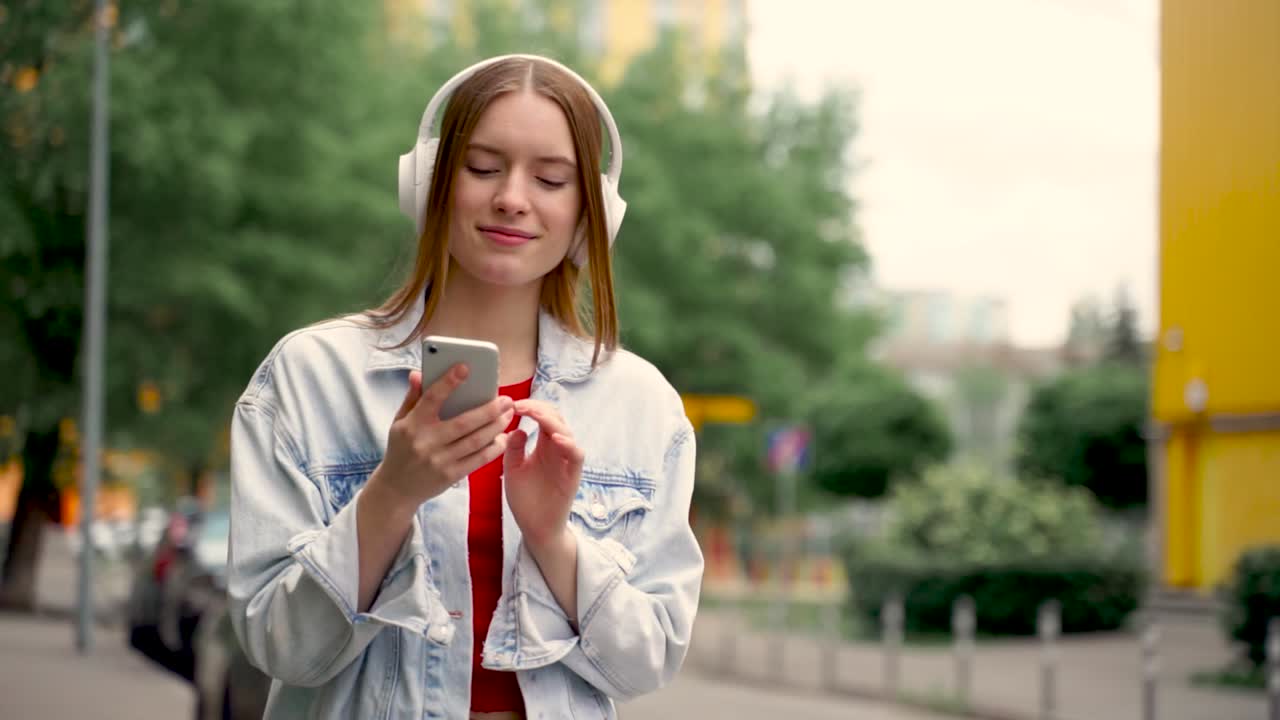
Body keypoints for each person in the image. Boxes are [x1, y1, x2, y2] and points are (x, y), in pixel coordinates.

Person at [227, 53, 704, 720]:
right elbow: (278, 645)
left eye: (551, 178)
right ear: (429, 183)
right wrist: (391, 494)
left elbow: (647, 661)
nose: (512, 196)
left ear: (591, 212)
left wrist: (552, 541)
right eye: (482, 168)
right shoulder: (310, 377)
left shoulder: (642, 406)